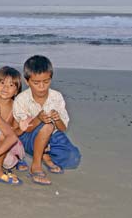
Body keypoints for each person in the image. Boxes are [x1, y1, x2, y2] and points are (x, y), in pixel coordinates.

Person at [13, 55, 81, 185]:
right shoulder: (21, 99)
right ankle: (36, 165)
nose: (42, 87)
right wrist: (38, 119)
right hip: (28, 137)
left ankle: (45, 153)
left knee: (73, 159)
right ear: (27, 81)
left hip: (53, 136)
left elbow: (62, 128)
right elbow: (24, 129)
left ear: (51, 78)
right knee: (47, 126)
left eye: (46, 82)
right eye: (36, 83)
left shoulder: (56, 97)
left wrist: (57, 119)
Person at [0, 66, 28, 172]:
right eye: (2, 83)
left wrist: (21, 129)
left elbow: (16, 131)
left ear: (16, 91)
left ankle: (17, 159)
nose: (5, 88)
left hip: (8, 140)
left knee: (11, 156)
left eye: (11, 85)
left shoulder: (16, 107)